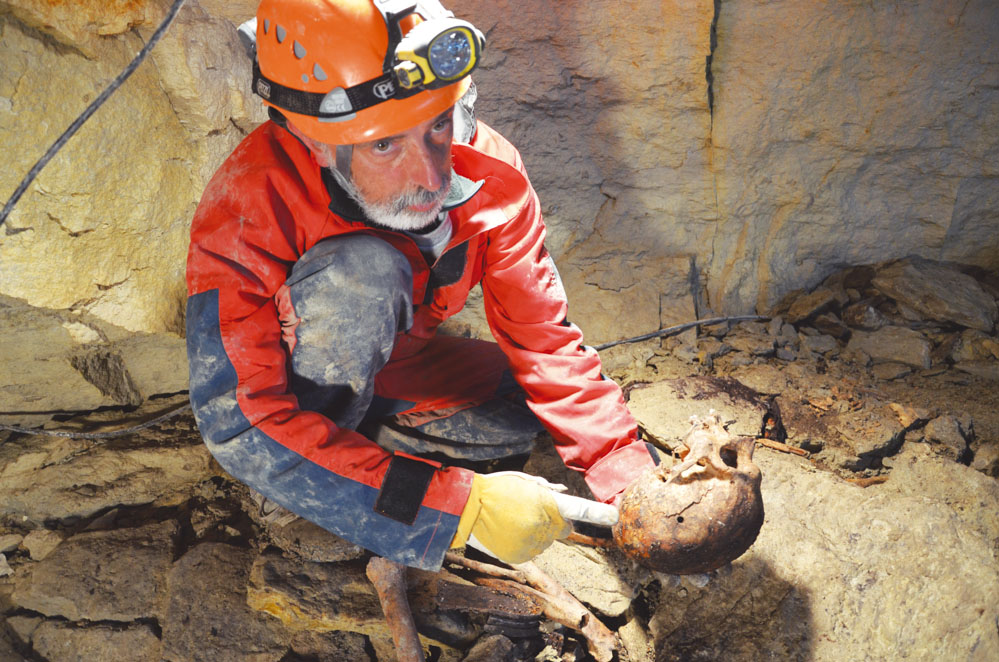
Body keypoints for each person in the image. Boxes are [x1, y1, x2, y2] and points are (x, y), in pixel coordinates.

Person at [185, 0, 658, 571]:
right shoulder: (249, 201)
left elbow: (542, 341)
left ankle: (371, 448)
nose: (432, 176)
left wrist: (630, 478)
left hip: (401, 370)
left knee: (525, 410)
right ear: (314, 141)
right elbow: (240, 418)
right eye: (384, 145)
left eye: (437, 125)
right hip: (295, 394)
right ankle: (297, 496)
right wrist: (455, 511)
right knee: (364, 274)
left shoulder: (489, 172)